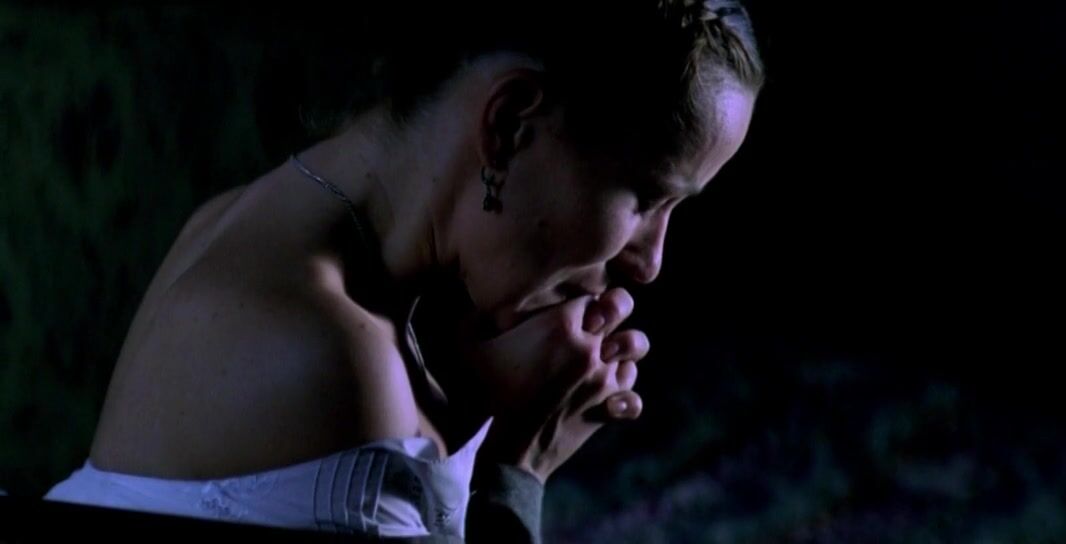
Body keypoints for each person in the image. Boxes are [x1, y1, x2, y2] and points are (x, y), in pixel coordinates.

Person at [43, 1, 764, 541]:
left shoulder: (234, 217)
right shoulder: (342, 362)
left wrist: (468, 404)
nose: (650, 261)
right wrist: (521, 465)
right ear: (510, 123)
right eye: (646, 197)